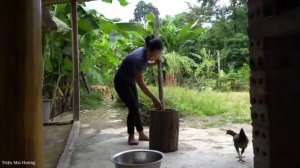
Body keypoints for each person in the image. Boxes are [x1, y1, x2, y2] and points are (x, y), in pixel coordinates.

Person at [114, 35, 163, 145]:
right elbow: (141, 83)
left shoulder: (145, 51)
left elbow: (145, 63)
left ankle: (141, 133)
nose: (158, 55)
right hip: (121, 82)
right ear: (151, 50)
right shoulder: (138, 58)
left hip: (130, 81)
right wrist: (154, 98)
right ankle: (131, 136)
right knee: (133, 107)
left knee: (135, 106)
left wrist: (154, 63)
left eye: (159, 53)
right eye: (157, 53)